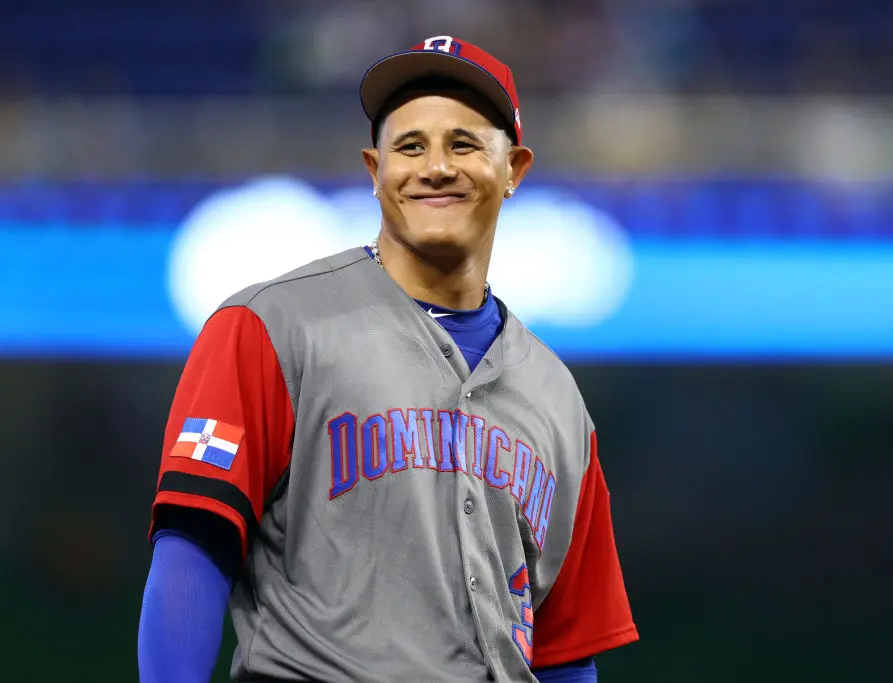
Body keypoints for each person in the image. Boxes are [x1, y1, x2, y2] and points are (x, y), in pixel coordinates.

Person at [138, 36, 638, 682]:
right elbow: (191, 556)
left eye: (462, 144)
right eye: (409, 146)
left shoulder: (558, 399)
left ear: (514, 168)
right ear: (374, 170)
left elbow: (568, 650)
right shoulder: (268, 327)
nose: (435, 167)